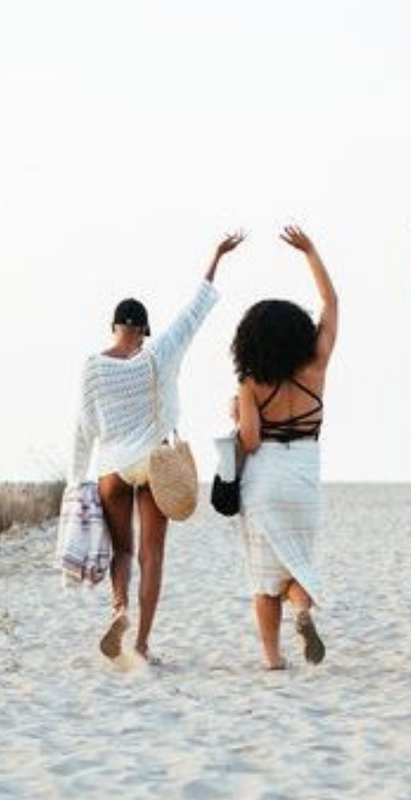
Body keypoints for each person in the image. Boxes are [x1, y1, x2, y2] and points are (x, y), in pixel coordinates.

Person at [69, 232, 245, 662]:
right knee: (152, 554)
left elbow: (83, 428)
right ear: (144, 331)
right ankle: (143, 644)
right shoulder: (159, 353)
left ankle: (119, 610)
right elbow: (194, 311)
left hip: (112, 467)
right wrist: (217, 255)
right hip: (155, 463)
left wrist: (76, 479)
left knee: (122, 550)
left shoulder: (93, 368)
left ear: (114, 327)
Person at [231, 226, 338, 670]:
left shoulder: (251, 384)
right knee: (296, 565)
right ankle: (302, 608)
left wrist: (238, 416)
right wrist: (311, 252)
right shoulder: (316, 368)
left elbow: (250, 440)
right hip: (304, 477)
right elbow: (331, 304)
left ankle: (273, 658)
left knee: (264, 576)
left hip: (265, 476)